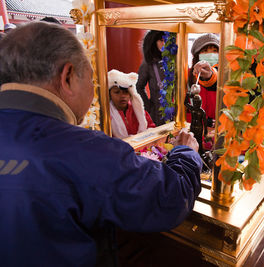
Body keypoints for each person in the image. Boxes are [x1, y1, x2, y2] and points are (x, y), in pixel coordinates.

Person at [0, 22, 202, 266]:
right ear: (68, 77)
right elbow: (169, 198)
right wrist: (186, 153)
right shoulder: (84, 151)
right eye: (93, 81)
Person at [108, 69, 155, 138]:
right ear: (110, 95)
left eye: (126, 92)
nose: (122, 96)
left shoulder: (139, 111)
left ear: (131, 94)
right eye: (117, 92)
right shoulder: (107, 116)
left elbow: (152, 129)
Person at [188, 33, 219, 127]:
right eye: (205, 51)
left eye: (215, 51)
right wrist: (202, 121)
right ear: (197, 54)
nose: (210, 54)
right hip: (194, 128)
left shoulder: (224, 75)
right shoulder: (187, 74)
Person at [136, 30, 165, 126]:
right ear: (153, 42)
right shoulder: (148, 63)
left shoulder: (174, 61)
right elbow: (139, 86)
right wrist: (148, 106)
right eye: (161, 40)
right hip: (157, 113)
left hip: (176, 111)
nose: (164, 43)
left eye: (166, 40)